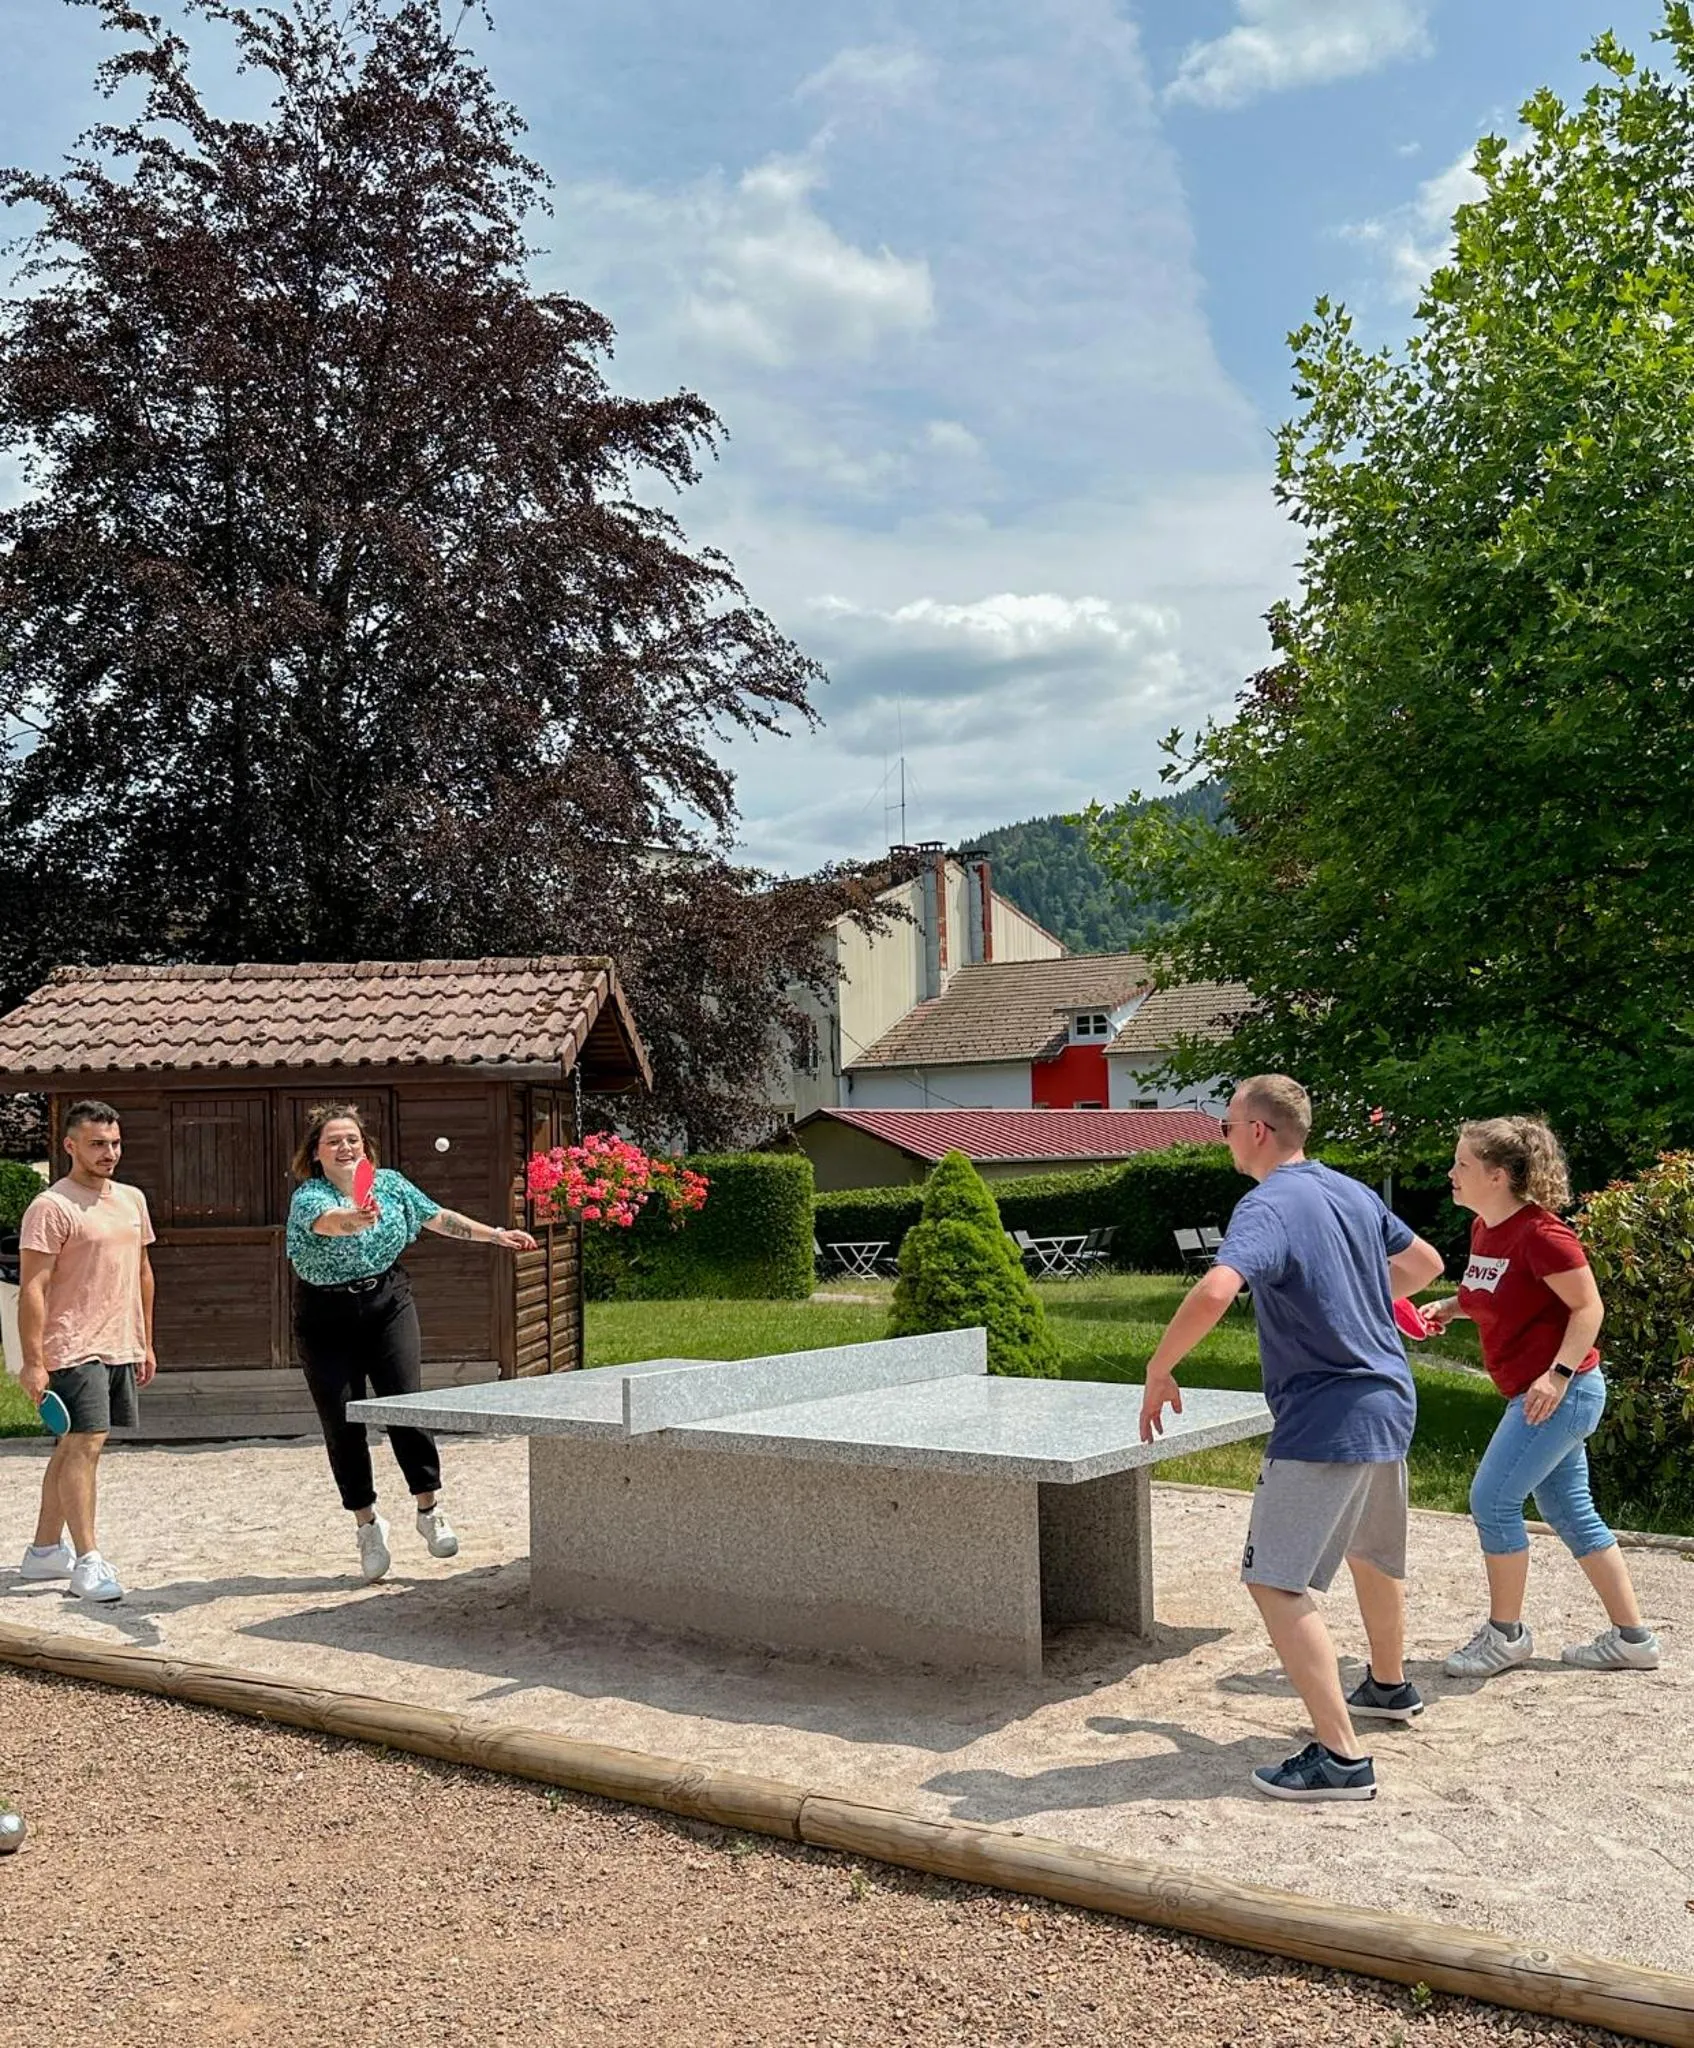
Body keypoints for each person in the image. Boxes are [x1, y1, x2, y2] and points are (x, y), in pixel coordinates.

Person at [1140, 1074, 1444, 1802]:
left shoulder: (1267, 1203)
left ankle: (1340, 1758)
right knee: (1372, 1555)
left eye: (1225, 1124)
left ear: (1257, 1132)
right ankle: (1389, 1687)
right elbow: (1425, 1265)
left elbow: (1218, 1288)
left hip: (1325, 1414)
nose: (1221, 1137)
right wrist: (1358, 1299)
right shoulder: (1349, 1192)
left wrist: (1160, 1366)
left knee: (1274, 1581)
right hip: (1388, 1399)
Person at [1424, 1116, 1660, 1677]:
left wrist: (1555, 1374)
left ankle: (1505, 1636)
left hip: (1564, 1393)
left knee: (1492, 1501)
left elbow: (1588, 1308)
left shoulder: (1543, 1234)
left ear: (1498, 1175)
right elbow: (1488, 1290)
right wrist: (1450, 1308)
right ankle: (1634, 1640)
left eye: (1462, 1164)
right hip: (1542, 1395)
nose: (1451, 1172)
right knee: (1569, 1509)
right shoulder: (1487, 1228)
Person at [287, 1102, 537, 1583]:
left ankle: (428, 1508)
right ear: (316, 1153)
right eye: (334, 1141)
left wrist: (495, 1235)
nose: (345, 1147)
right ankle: (366, 1524)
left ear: (365, 1146)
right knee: (343, 1421)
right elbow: (330, 1222)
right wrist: (353, 1219)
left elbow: (436, 1217)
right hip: (325, 1316)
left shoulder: (392, 1185)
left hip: (387, 1302)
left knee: (405, 1403)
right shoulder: (309, 1198)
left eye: (352, 1140)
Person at [15, 1101, 157, 1603]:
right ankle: (88, 1562)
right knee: (87, 1443)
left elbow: (141, 1272)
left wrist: (145, 1340)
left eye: (115, 1143)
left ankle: (45, 1551)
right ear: (70, 1145)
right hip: (71, 1344)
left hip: (119, 1340)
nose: (109, 1152)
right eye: (98, 1144)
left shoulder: (132, 1200)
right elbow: (32, 1287)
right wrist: (33, 1361)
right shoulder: (51, 1207)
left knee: (74, 1444)